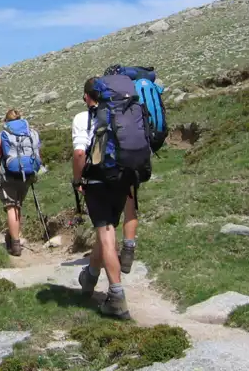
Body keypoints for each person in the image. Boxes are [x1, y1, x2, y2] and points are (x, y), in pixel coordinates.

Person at [73, 76, 148, 320]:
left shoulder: (84, 118)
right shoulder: (126, 111)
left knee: (105, 235)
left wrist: (78, 180)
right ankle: (90, 276)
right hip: (124, 179)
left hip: (98, 182)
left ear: (87, 96)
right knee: (106, 233)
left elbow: (79, 153)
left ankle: (116, 296)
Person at [0, 109, 42, 257]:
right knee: (18, 206)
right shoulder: (31, 132)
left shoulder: (3, 134)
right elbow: (38, 154)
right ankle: (13, 236)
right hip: (28, 175)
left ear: (6, 121)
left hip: (10, 176)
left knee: (11, 207)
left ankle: (15, 244)